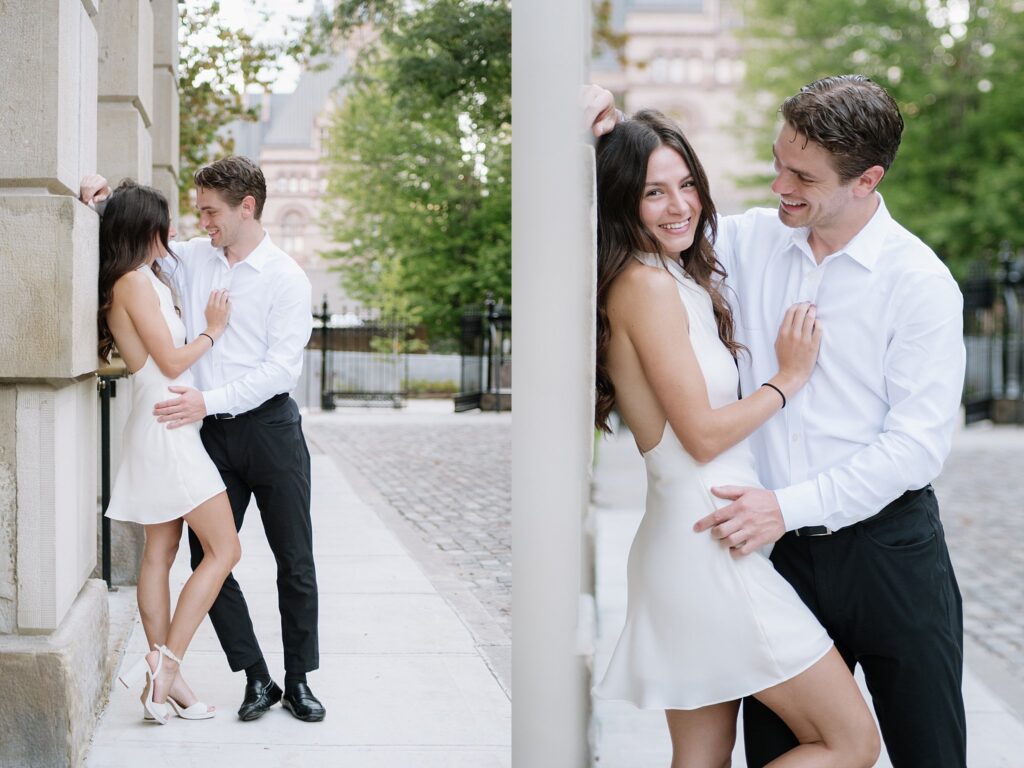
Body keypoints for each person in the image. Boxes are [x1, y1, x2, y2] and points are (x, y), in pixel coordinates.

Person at [590, 76, 967, 767]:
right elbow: (644, 210)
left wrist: (784, 507)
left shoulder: (918, 282)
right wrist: (602, 118)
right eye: (777, 162)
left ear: (866, 179)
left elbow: (915, 448)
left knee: (929, 753)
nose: (777, 186)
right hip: (766, 551)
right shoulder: (740, 245)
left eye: (801, 176)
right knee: (794, 751)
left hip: (886, 555)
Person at [83, 156, 324, 723]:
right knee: (210, 556)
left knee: (294, 557)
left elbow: (280, 370)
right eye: (199, 213)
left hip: (268, 430)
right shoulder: (192, 258)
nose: (203, 223)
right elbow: (135, 235)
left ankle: (299, 678)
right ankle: (256, 677)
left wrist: (207, 399)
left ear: (248, 207)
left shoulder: (287, 278)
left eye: (212, 212)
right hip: (202, 431)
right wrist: (95, 196)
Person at [84, 178, 242, 724]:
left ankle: (164, 685)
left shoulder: (145, 278)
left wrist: (94, 195)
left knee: (162, 552)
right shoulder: (131, 282)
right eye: (163, 222)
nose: (171, 231)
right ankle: (166, 667)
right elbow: (173, 363)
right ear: (142, 229)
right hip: (166, 426)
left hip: (166, 423)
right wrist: (213, 331)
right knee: (225, 550)